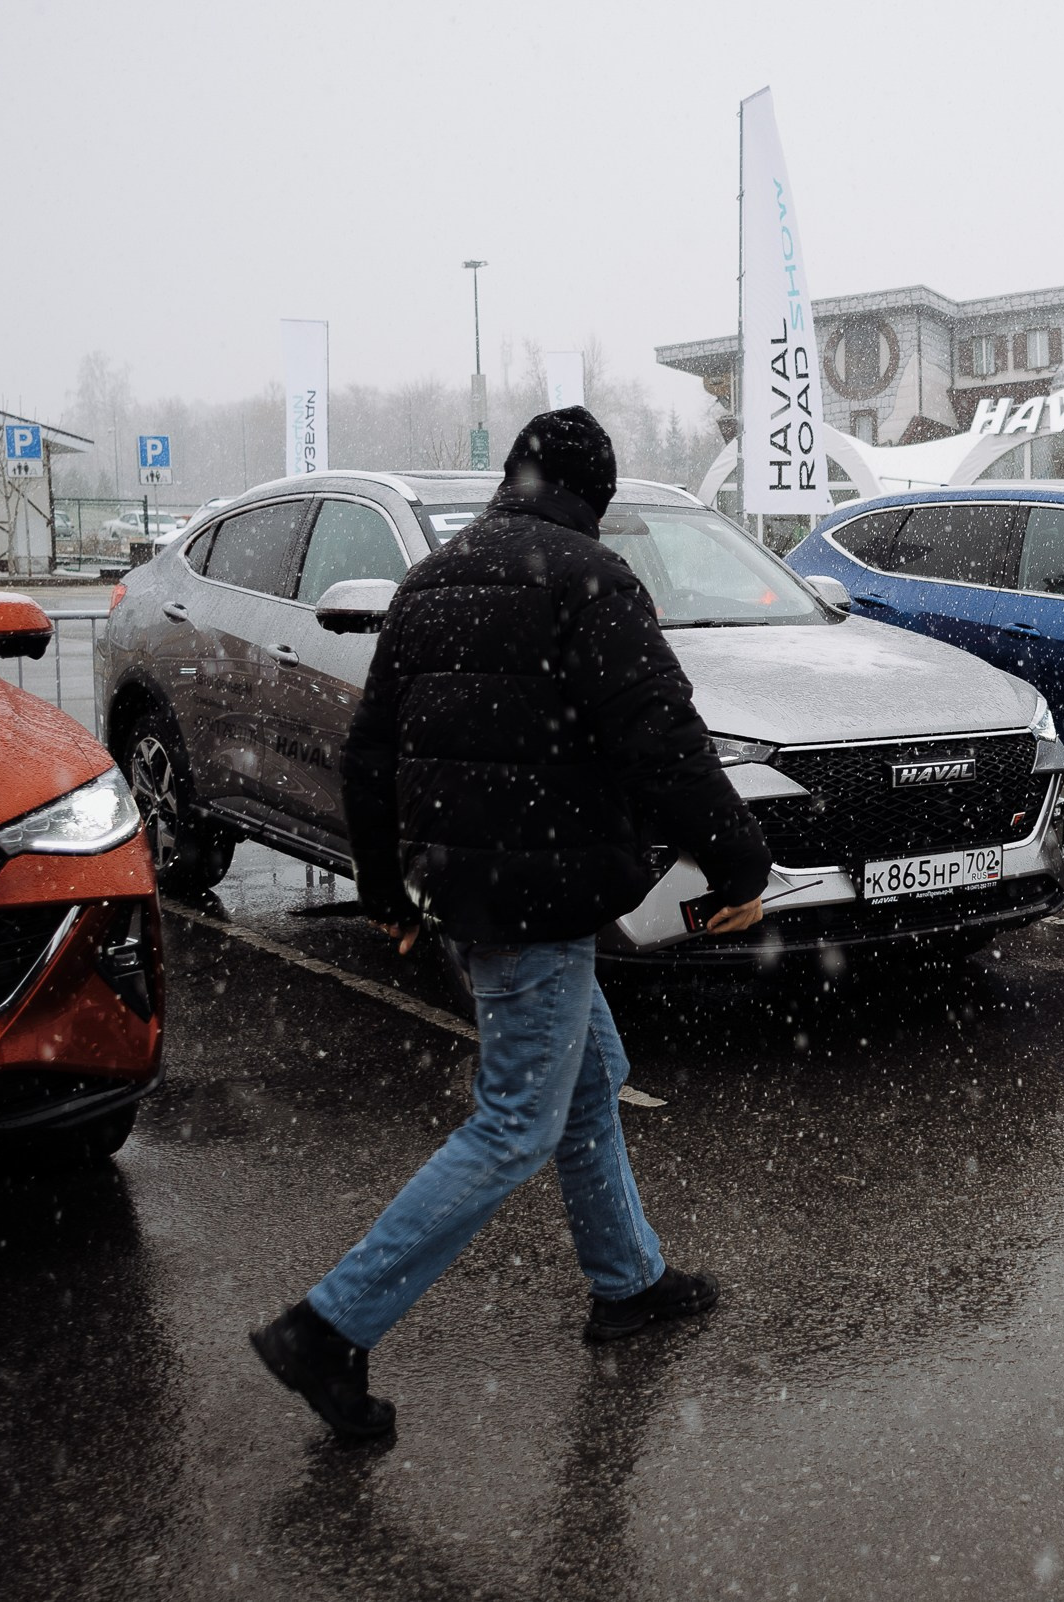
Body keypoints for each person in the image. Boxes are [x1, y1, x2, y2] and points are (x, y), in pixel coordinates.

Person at [251, 408, 771, 1440]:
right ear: (597, 499)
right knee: (514, 1121)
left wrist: (388, 890)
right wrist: (741, 860)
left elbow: (370, 754)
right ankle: (330, 1327)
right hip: (541, 897)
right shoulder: (591, 583)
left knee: (585, 1082)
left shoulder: (432, 582)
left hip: (465, 889)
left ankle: (628, 1282)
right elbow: (662, 740)